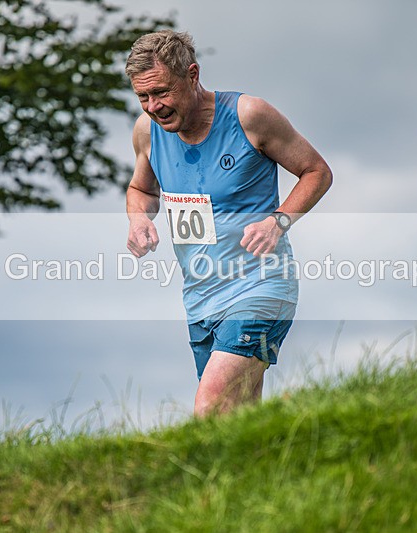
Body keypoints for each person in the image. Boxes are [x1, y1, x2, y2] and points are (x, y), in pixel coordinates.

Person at [123, 31, 332, 416]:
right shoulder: (146, 131)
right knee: (237, 421)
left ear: (192, 75)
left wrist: (278, 222)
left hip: (261, 285)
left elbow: (316, 171)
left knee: (210, 404)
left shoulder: (249, 116)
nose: (154, 106)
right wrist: (138, 220)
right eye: (143, 97)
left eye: (162, 92)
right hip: (200, 297)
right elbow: (141, 189)